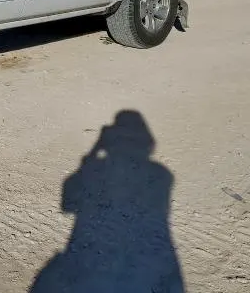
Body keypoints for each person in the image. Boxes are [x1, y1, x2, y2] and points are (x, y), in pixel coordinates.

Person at [31, 110, 184, 292]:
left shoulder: (98, 168)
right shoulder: (162, 174)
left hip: (92, 267)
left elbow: (68, 202)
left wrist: (97, 147)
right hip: (146, 267)